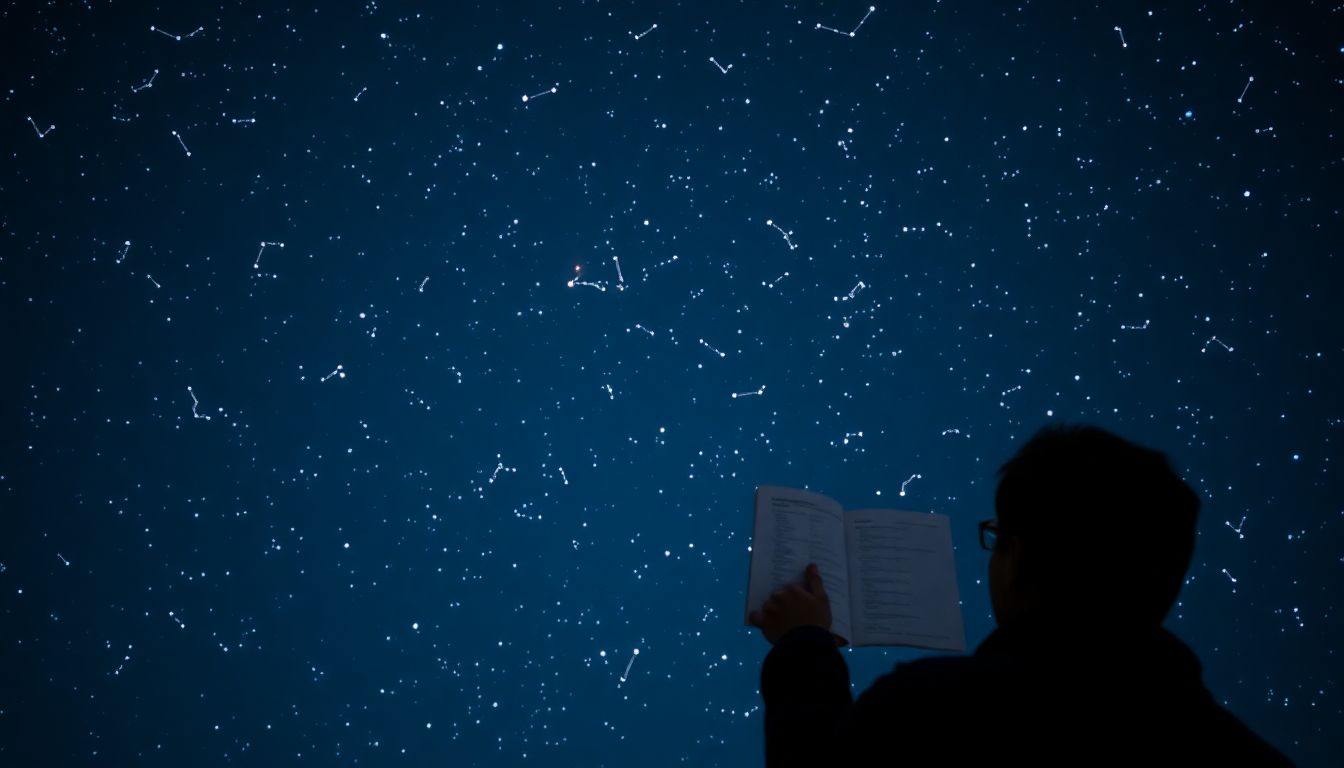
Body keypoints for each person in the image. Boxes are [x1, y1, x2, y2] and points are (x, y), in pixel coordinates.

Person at [748, 424, 1293, 766]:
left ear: (1017, 551)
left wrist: (803, 643)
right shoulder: (1238, 751)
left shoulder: (933, 715)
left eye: (996, 537)